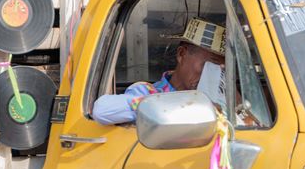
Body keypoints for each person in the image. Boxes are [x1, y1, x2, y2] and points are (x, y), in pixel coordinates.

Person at [91, 18, 226, 125]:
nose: (213, 75)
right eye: (210, 66)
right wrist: (169, 105)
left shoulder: (219, 99)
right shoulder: (148, 93)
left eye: (221, 70)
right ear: (181, 54)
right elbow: (102, 110)